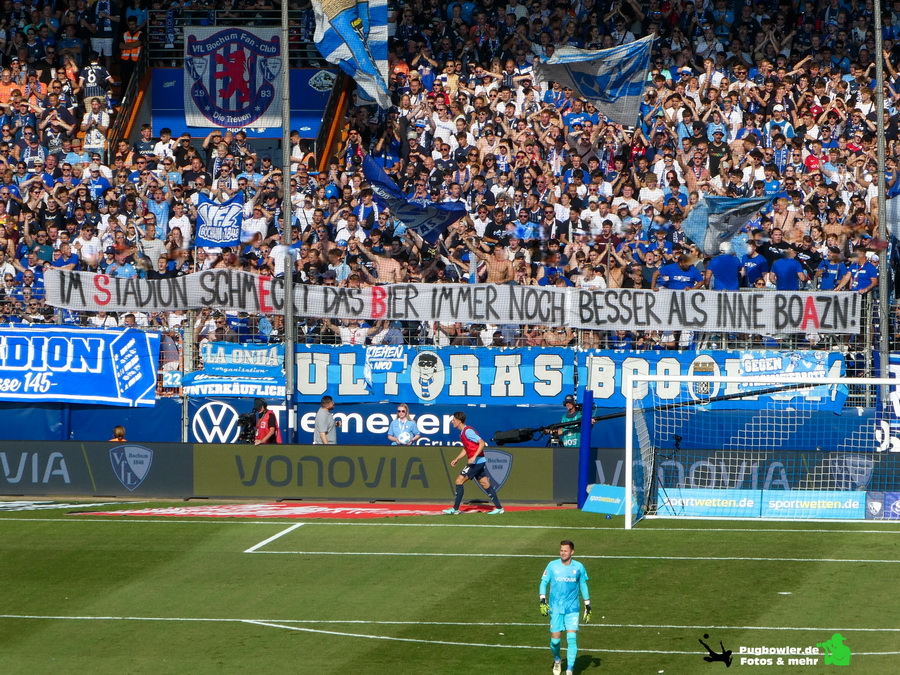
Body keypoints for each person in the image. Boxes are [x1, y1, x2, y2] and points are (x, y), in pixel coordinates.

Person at [540, 540, 591, 675]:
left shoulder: (579, 567)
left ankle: (569, 669)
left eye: (565, 550)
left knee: (571, 638)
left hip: (572, 608)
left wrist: (587, 604)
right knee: (555, 641)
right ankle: (557, 659)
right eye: (561, 550)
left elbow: (583, 585)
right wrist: (542, 600)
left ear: (572, 552)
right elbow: (543, 582)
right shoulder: (552, 566)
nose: (563, 553)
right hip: (556, 608)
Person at [443, 411, 504, 515]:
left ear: (459, 421)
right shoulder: (462, 433)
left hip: (476, 462)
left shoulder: (468, 431)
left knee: (459, 481)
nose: (452, 422)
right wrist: (457, 459)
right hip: (478, 461)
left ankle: (455, 509)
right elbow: (466, 448)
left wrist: (474, 457)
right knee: (485, 484)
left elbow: (481, 442)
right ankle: (499, 508)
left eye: (453, 420)